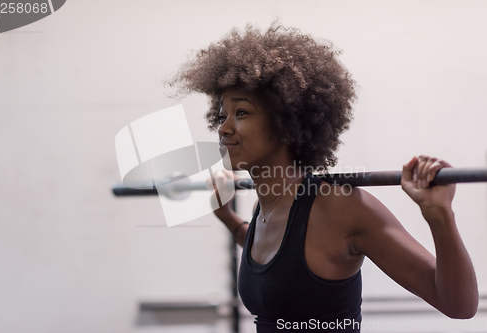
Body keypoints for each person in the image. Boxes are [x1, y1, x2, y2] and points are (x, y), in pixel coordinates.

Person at [168, 23, 478, 332]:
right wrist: (226, 217)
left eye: (242, 113)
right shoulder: (264, 208)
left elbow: (459, 305)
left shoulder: (340, 207)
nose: (223, 128)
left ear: (285, 122)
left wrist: (439, 215)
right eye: (222, 116)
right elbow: (282, 266)